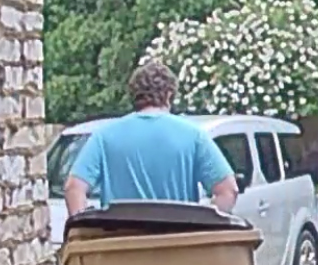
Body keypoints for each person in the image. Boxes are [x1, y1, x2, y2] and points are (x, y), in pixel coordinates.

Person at [63, 59, 239, 216]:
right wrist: (203, 227)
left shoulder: (104, 136)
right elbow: (228, 190)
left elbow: (74, 188)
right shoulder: (193, 136)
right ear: (169, 95)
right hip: (179, 243)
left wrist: (82, 233)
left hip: (119, 244)